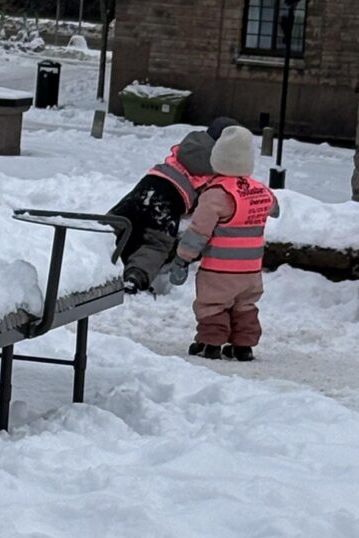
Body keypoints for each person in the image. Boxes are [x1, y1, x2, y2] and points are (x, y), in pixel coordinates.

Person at [170, 126, 278, 361]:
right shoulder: (260, 190)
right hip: (251, 269)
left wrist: (183, 256)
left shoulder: (216, 194)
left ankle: (211, 343)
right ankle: (243, 347)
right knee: (245, 306)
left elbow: (199, 232)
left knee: (212, 304)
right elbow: (274, 208)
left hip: (219, 268)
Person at [109, 117, 240, 294]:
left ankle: (93, 259)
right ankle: (135, 277)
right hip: (172, 197)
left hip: (149, 183)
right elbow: (209, 192)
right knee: (156, 244)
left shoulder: (192, 142)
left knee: (115, 224)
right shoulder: (220, 160)